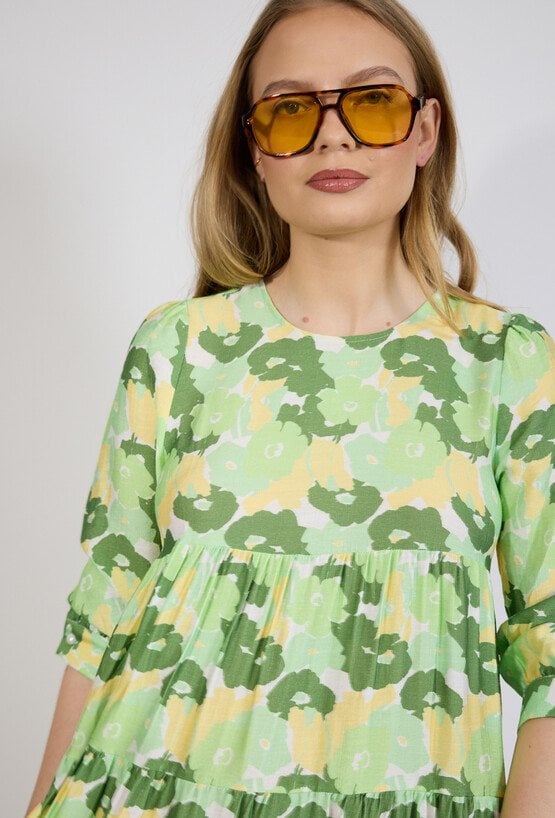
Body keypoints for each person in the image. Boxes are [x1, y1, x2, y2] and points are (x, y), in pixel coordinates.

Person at [25, 1, 555, 816]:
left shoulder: (505, 362)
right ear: (255, 149)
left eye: (371, 102)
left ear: (424, 132)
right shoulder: (178, 348)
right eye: (289, 110)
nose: (331, 137)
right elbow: (105, 619)